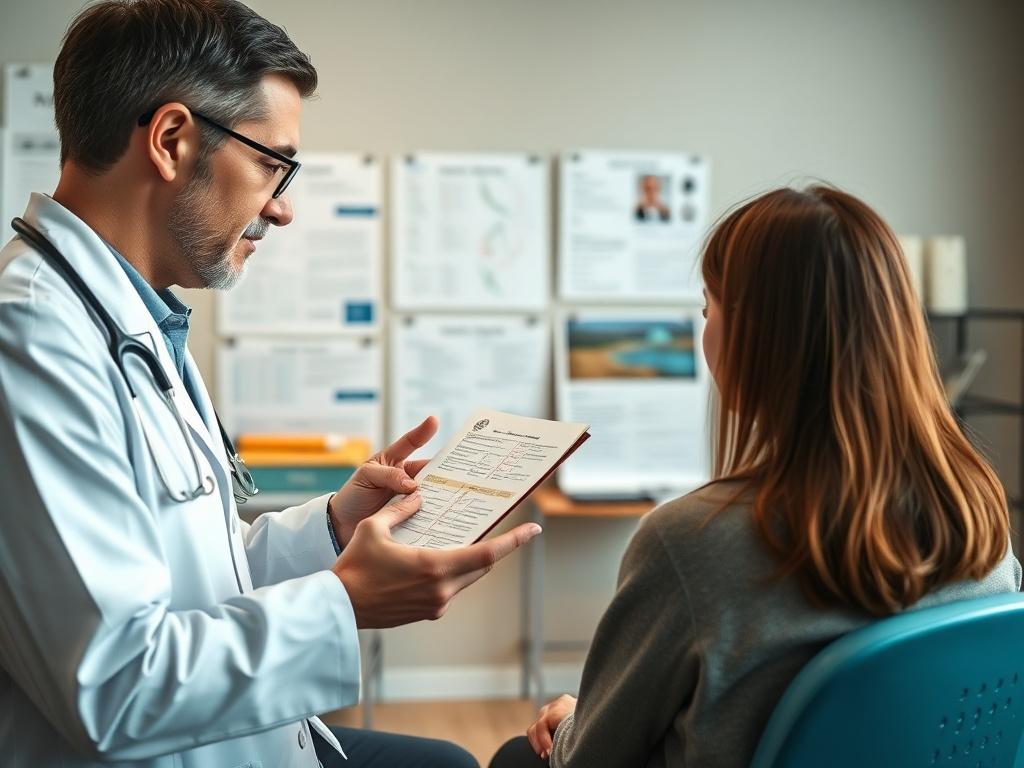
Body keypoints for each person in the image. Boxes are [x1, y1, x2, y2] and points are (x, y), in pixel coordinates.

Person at [0, 2, 542, 767]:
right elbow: (113, 684)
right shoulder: (29, 341)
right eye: (272, 164)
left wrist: (334, 528)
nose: (282, 208)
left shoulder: (136, 322)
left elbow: (193, 576)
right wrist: (344, 602)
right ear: (171, 141)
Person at [490, 185, 1021, 768]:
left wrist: (569, 723)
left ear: (754, 338)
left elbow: (591, 758)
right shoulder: (977, 508)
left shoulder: (693, 542)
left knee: (523, 754)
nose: (704, 331)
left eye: (707, 308)